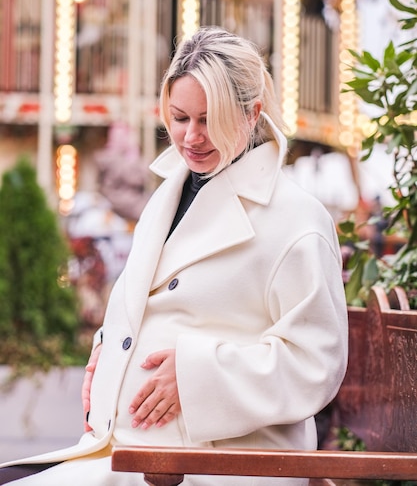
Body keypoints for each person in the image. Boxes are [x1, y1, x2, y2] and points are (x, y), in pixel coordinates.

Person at [0, 27, 348, 485]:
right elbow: (140, 300)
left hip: (220, 465)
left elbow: (315, 362)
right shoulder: (169, 192)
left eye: (209, 119)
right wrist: (106, 353)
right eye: (180, 118)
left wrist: (196, 378)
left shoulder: (297, 220)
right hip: (135, 451)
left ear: (252, 114)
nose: (191, 137)